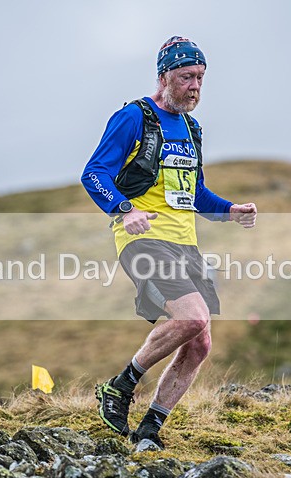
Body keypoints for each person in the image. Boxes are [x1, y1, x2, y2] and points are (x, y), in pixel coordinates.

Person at [81, 36, 257, 451]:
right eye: (186, 77)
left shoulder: (193, 129)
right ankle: (120, 387)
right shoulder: (133, 117)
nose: (195, 86)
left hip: (186, 245)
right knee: (193, 318)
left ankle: (150, 429)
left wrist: (231, 211)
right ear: (164, 77)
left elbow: (195, 195)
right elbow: (94, 174)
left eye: (200, 78)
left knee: (200, 343)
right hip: (143, 239)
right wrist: (125, 209)